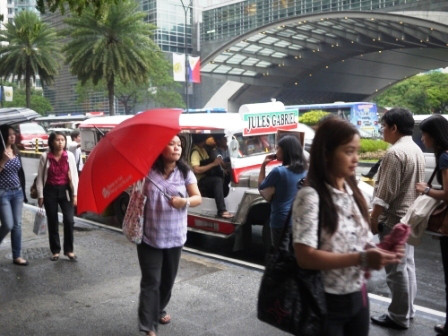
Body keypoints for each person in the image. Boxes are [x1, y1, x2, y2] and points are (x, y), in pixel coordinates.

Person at [292, 116, 403, 336]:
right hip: (325, 301)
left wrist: (376, 251)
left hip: (358, 296)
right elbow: (305, 257)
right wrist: (361, 259)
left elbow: (356, 242)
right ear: (326, 154)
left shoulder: (354, 192)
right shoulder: (310, 197)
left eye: (357, 151)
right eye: (348, 151)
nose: (355, 158)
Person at [137, 135, 201, 336]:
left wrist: (185, 202)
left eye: (179, 145)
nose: (176, 148)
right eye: (171, 144)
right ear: (160, 147)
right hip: (149, 236)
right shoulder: (146, 171)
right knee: (151, 281)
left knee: (167, 281)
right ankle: (148, 326)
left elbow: (198, 197)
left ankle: (159, 309)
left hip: (174, 237)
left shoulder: (185, 172)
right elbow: (136, 195)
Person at [370, 107, 425, 330]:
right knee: (407, 266)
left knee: (396, 271)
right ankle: (408, 311)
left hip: (394, 221)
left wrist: (373, 219)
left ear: (394, 128)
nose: (382, 130)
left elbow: (385, 194)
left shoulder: (394, 153)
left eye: (383, 126)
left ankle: (398, 316)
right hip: (410, 218)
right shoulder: (415, 149)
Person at [414, 115, 448, 336]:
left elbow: (447, 193)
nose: (423, 139)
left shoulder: (445, 157)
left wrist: (425, 190)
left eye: (425, 135)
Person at [258, 135, 307, 249]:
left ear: (285, 150)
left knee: (281, 255)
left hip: (280, 221)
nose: (276, 151)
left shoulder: (279, 172)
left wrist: (263, 165)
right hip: (298, 220)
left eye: (278, 148)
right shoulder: (305, 170)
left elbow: (261, 186)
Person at [36, 131, 79, 261]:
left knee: (69, 220)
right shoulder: (45, 157)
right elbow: (39, 178)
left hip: (65, 191)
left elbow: (75, 177)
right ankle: (55, 250)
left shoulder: (69, 156)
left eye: (62, 140)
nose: (60, 143)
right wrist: (40, 195)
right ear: (52, 142)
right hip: (50, 191)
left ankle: (69, 250)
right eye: (57, 140)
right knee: (53, 221)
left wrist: (75, 194)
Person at [0, 124, 28, 266]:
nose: (13, 136)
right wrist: (3, 160)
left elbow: (19, 173)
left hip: (17, 192)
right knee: (8, 225)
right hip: (3, 193)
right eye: (9, 134)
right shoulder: (1, 152)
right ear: (4, 136)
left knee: (17, 225)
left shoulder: (16, 150)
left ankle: (17, 255)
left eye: (14, 134)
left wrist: (23, 193)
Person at [190, 134, 232, 218]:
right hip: (199, 181)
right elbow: (196, 170)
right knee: (217, 180)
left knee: (226, 176)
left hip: (207, 177)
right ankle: (221, 210)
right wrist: (213, 164)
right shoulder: (195, 152)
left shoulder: (202, 150)